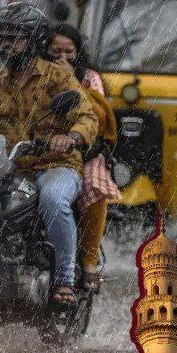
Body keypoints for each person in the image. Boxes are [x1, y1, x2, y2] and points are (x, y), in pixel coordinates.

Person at [0, 3, 99, 304]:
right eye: (2, 38)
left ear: (33, 40)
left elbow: (87, 117)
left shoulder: (58, 76)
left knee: (53, 200)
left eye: (15, 38)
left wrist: (69, 137)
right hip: (6, 167)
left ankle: (64, 279)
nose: (6, 45)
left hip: (56, 165)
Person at [46, 24, 120, 294]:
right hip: (41, 148)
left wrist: (69, 81)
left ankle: (88, 261)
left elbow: (95, 119)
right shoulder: (36, 75)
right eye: (56, 51)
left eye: (69, 51)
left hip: (85, 149)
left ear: (78, 53)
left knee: (95, 185)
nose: (63, 57)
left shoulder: (89, 78)